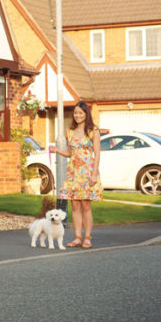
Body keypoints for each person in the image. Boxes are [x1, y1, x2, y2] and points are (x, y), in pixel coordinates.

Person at [49, 101, 101, 248]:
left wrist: (94, 174)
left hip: (87, 171)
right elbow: (69, 153)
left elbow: (97, 154)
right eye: (76, 113)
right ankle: (78, 237)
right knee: (75, 205)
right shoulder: (70, 131)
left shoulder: (93, 130)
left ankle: (88, 238)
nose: (77, 115)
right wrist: (57, 150)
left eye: (81, 113)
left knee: (85, 205)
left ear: (86, 114)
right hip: (73, 171)